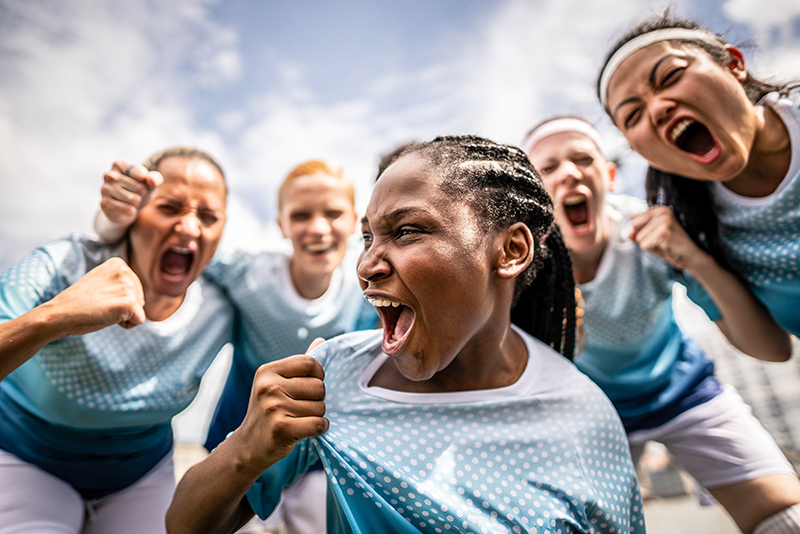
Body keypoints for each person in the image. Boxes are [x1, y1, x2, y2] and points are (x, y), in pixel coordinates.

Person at [164, 135, 645, 534]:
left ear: (511, 249)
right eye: (369, 237)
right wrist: (249, 445)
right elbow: (186, 524)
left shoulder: (583, 420)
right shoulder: (336, 377)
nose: (366, 266)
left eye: (408, 231)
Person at [523, 116, 800, 534]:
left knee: (787, 519)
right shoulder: (522, 264)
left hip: (684, 391)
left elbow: (772, 349)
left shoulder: (651, 233)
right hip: (592, 412)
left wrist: (696, 260)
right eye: (548, 167)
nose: (569, 173)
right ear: (532, 196)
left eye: (583, 159)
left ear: (609, 175)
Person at [95, 159, 377, 534]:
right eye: (301, 215)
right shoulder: (249, 276)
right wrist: (111, 219)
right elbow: (172, 244)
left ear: (356, 222)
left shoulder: (367, 297)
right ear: (281, 224)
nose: (318, 228)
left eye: (333, 213)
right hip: (238, 445)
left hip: (317, 452)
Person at [0, 147, 234, 533]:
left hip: (140, 477)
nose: (190, 228)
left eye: (208, 216)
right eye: (170, 207)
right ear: (132, 212)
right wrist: (55, 317)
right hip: (24, 457)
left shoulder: (225, 303)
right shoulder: (62, 265)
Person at [597, 13, 800, 340]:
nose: (657, 109)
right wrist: (697, 262)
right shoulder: (692, 229)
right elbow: (771, 347)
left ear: (734, 64)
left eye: (671, 75)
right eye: (633, 115)